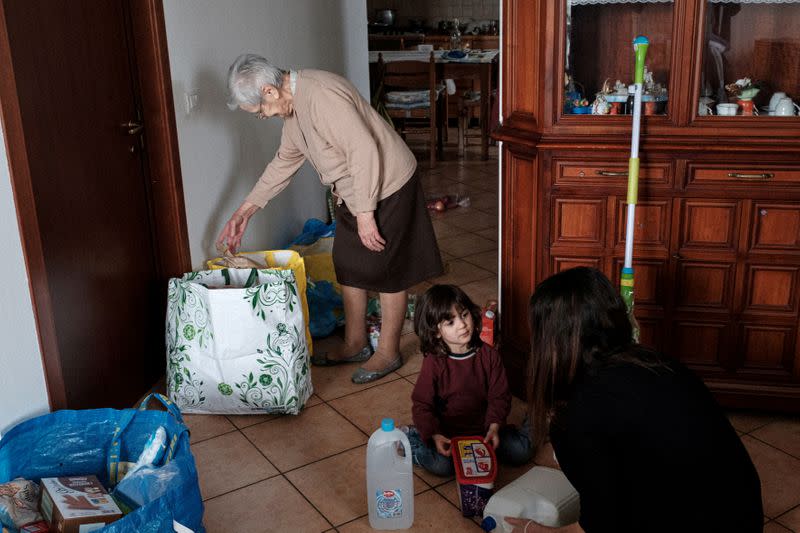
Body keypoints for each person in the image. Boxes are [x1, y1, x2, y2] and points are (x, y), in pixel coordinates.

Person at [218, 54, 443, 384]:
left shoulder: (320, 95)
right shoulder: (294, 112)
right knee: (348, 262)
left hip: (387, 183)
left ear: (269, 91)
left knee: (387, 267)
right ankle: (355, 343)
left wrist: (366, 214)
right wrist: (244, 212)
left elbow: (363, 150)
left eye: (260, 111)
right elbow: (284, 162)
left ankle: (388, 352)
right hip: (354, 190)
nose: (263, 117)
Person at [506, 267, 762, 532]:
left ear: (550, 343)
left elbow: (602, 526)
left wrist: (533, 530)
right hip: (744, 513)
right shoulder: (657, 362)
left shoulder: (577, 414)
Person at [405, 284, 532, 476]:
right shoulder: (434, 363)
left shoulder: (489, 356)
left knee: (521, 452)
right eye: (450, 322)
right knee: (443, 467)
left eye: (464, 315)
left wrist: (495, 426)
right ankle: (413, 442)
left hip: (485, 431)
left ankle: (537, 419)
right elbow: (422, 404)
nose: (462, 325)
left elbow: (500, 396)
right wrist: (435, 435)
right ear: (436, 331)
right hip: (449, 434)